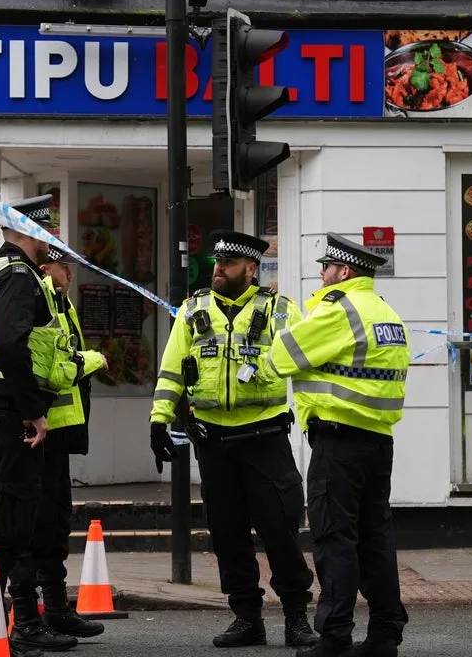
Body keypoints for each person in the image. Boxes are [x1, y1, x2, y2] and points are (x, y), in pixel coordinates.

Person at [150, 230, 318, 650]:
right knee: (227, 533)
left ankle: (297, 616)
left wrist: (318, 416)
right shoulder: (193, 310)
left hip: (264, 437)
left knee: (279, 527)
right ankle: (247, 617)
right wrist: (158, 420)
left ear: (251, 268)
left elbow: (310, 365)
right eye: (216, 263)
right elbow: (171, 369)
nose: (218, 269)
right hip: (213, 440)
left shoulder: (281, 311)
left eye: (227, 264)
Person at [259, 233, 411, 657]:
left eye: (326, 268)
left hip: (338, 442)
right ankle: (384, 635)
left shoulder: (338, 309)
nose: (321, 276)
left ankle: (334, 635)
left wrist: (289, 328)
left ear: (344, 272)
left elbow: (280, 358)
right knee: (375, 539)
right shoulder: (385, 312)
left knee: (334, 538)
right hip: (378, 441)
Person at [0, 195, 86, 657]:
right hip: (1, 413)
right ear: (30, 232)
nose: (50, 239)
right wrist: (34, 409)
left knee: (5, 526)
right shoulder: (18, 276)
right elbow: (10, 347)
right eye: (47, 231)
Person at [7, 245, 108, 652]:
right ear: (47, 267)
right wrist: (92, 360)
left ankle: (56, 608)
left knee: (54, 523)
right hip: (36, 431)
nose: (71, 275)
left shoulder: (61, 304)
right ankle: (28, 619)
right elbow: (52, 367)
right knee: (31, 527)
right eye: (65, 267)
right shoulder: (38, 303)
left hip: (59, 431)